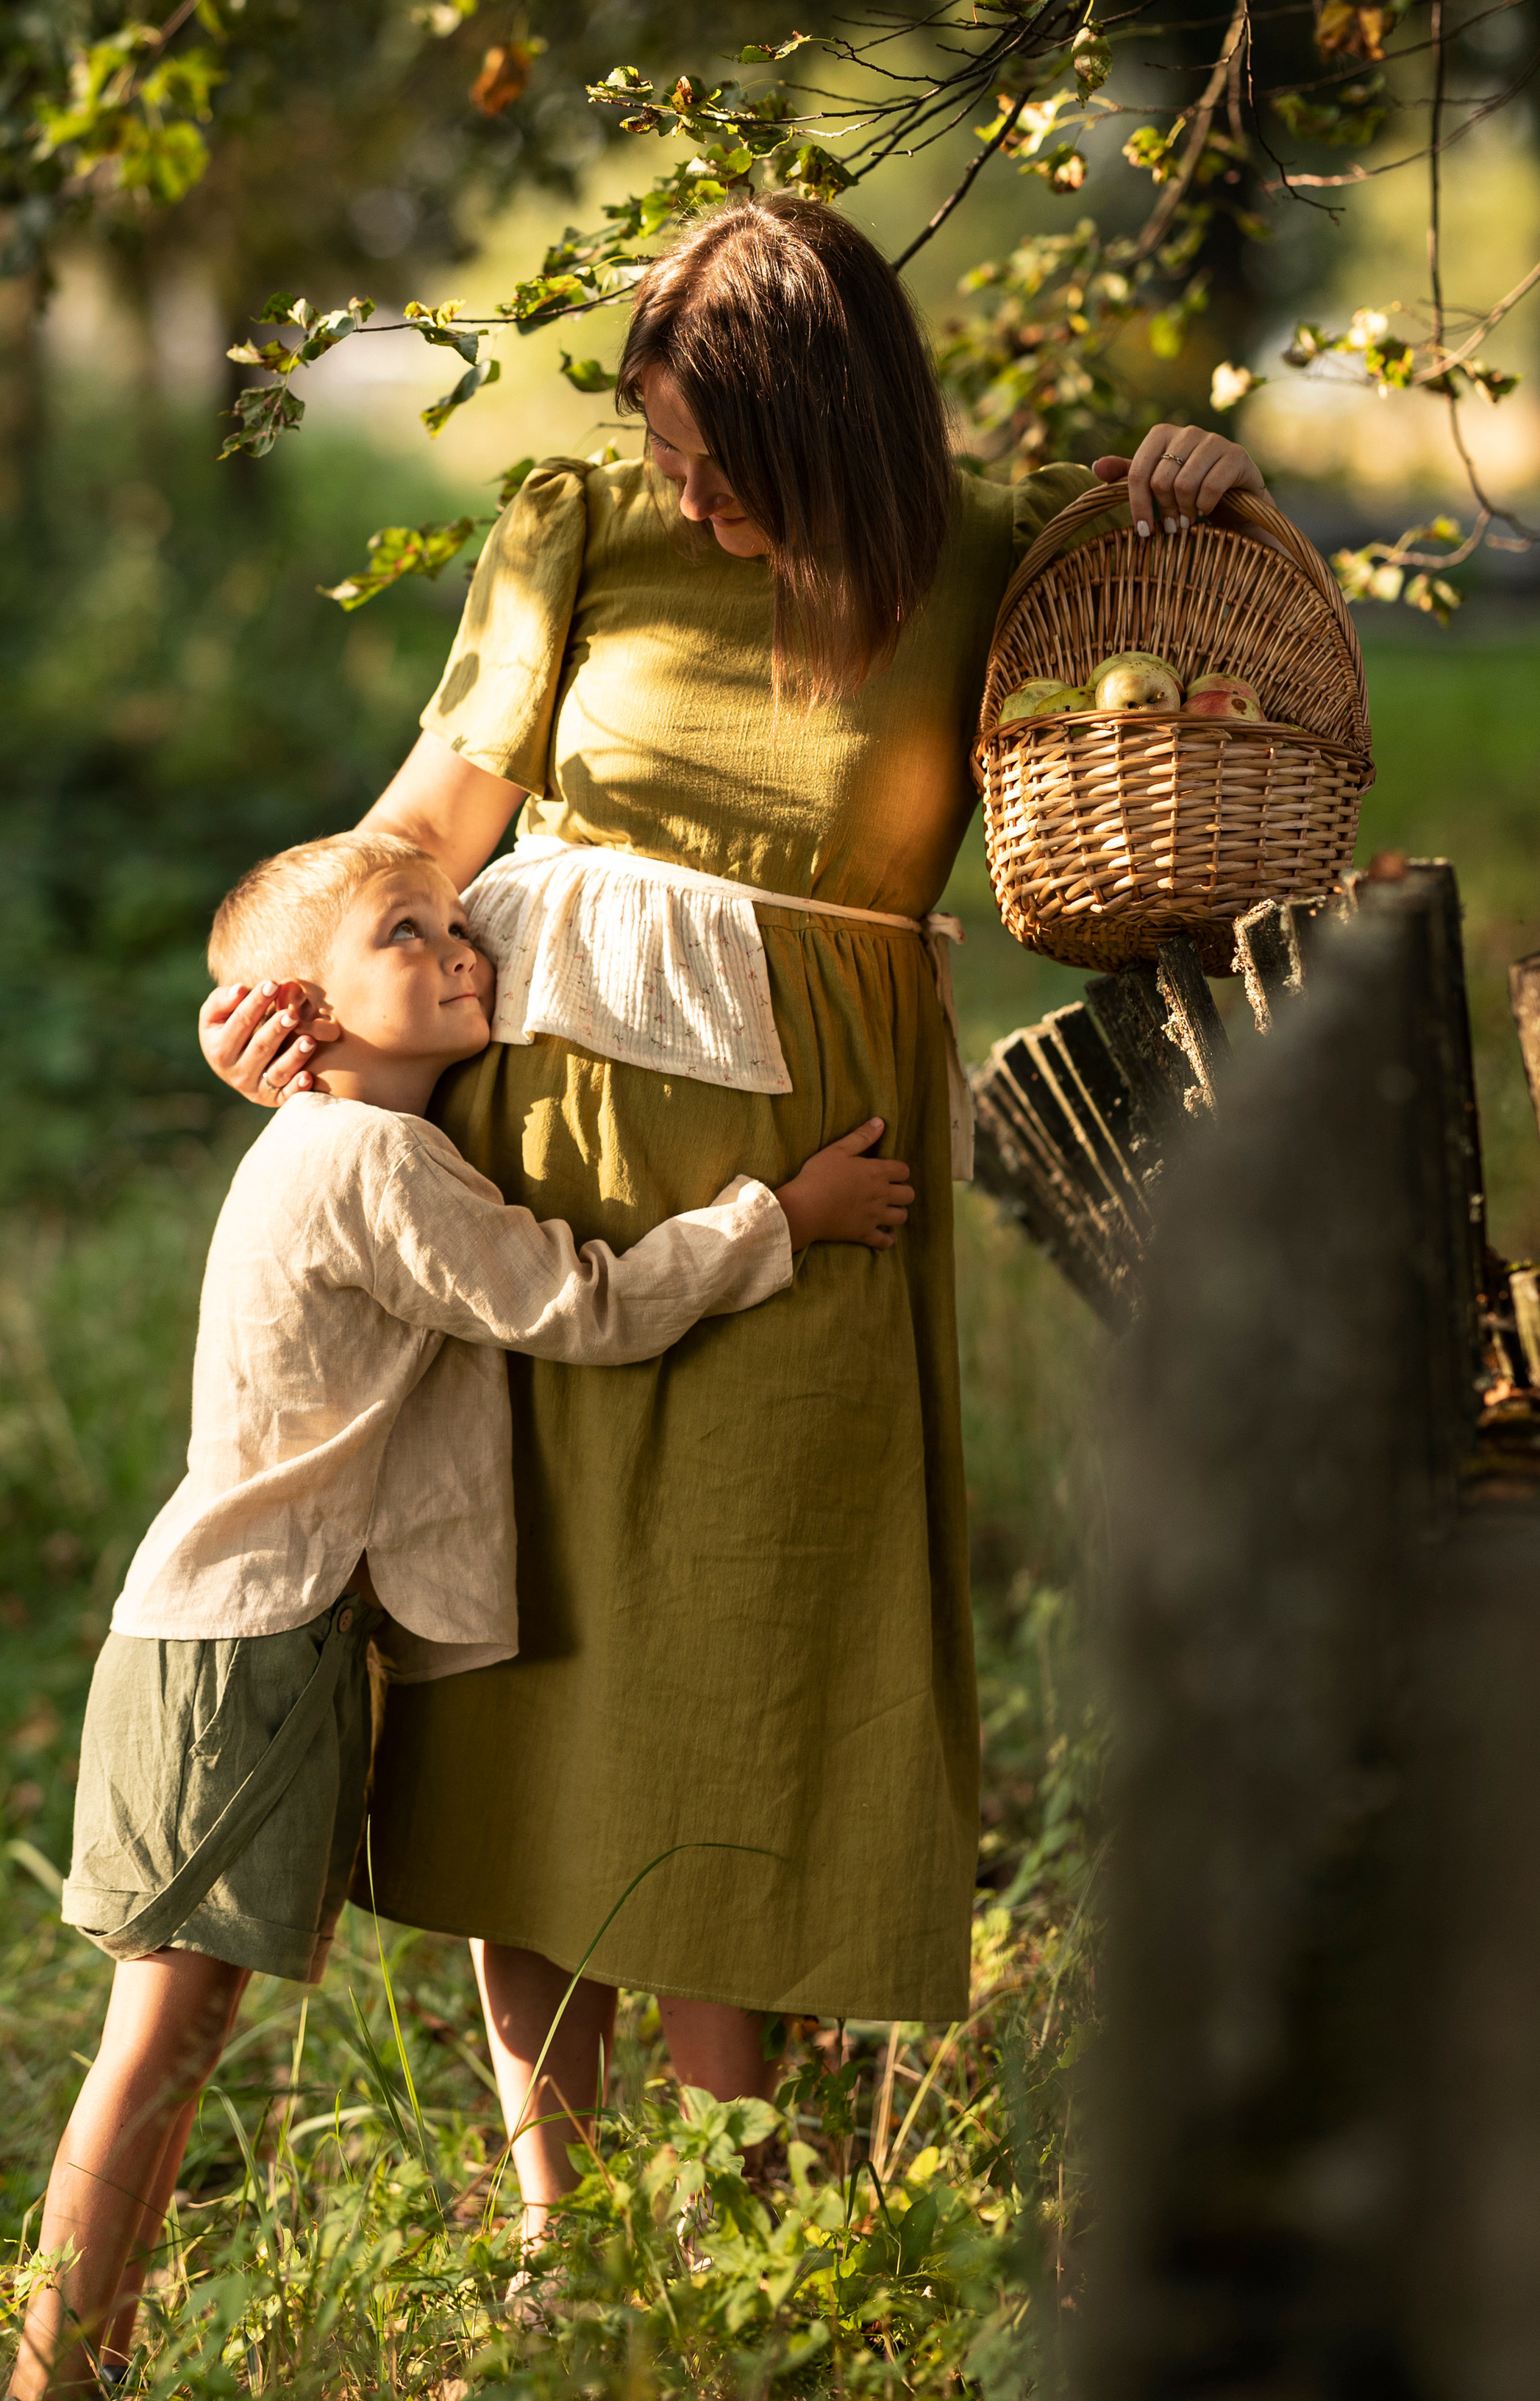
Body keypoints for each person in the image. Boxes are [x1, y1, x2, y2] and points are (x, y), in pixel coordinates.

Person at [201, 193, 1275, 2242]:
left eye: (722, 460)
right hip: (535, 1177)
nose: (685, 495)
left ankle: (738, 2223)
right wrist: (264, 989)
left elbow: (1182, 620)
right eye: (668, 451)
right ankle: (562, 2228)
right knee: (543, 1669)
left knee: (754, 1657)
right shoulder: (578, 531)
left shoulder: (988, 558)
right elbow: (421, 829)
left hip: (819, 1192)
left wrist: (1215, 478)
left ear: (833, 434)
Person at [0, 826, 912, 2401]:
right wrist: (787, 1215)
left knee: (177, 2034)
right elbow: (583, 1305)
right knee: (166, 2036)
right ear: (301, 1010)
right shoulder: (367, 1160)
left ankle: (69, 2389)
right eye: (405, 935)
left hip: (238, 1638)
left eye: (456, 923)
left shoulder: (341, 1141)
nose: (459, 949)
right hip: (244, 1653)